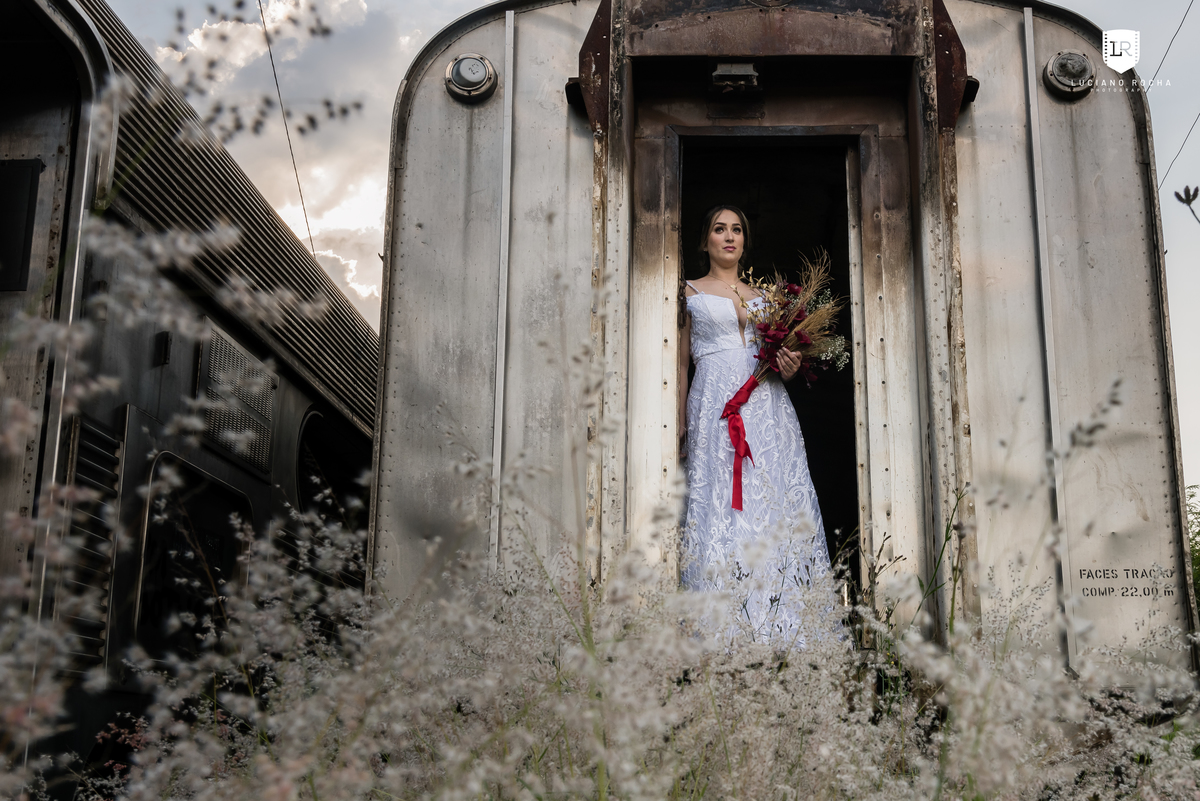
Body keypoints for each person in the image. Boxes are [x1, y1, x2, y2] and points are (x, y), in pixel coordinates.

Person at [679, 205, 831, 645]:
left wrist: (790, 366)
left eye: (737, 230)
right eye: (719, 229)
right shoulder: (687, 290)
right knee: (718, 499)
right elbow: (680, 362)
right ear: (705, 240)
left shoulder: (768, 298)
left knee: (769, 499)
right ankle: (719, 629)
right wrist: (678, 421)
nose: (729, 236)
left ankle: (779, 627)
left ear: (745, 241)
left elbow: (782, 362)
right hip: (715, 402)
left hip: (766, 407)